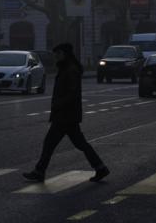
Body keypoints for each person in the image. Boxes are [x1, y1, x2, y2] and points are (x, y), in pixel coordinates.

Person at [23, 42, 110, 183]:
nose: (56, 57)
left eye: (58, 54)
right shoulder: (67, 68)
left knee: (50, 143)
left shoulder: (70, 70)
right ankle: (100, 168)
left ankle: (39, 171)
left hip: (65, 115)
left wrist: (58, 104)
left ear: (65, 54)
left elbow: (72, 92)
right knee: (79, 144)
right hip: (68, 115)